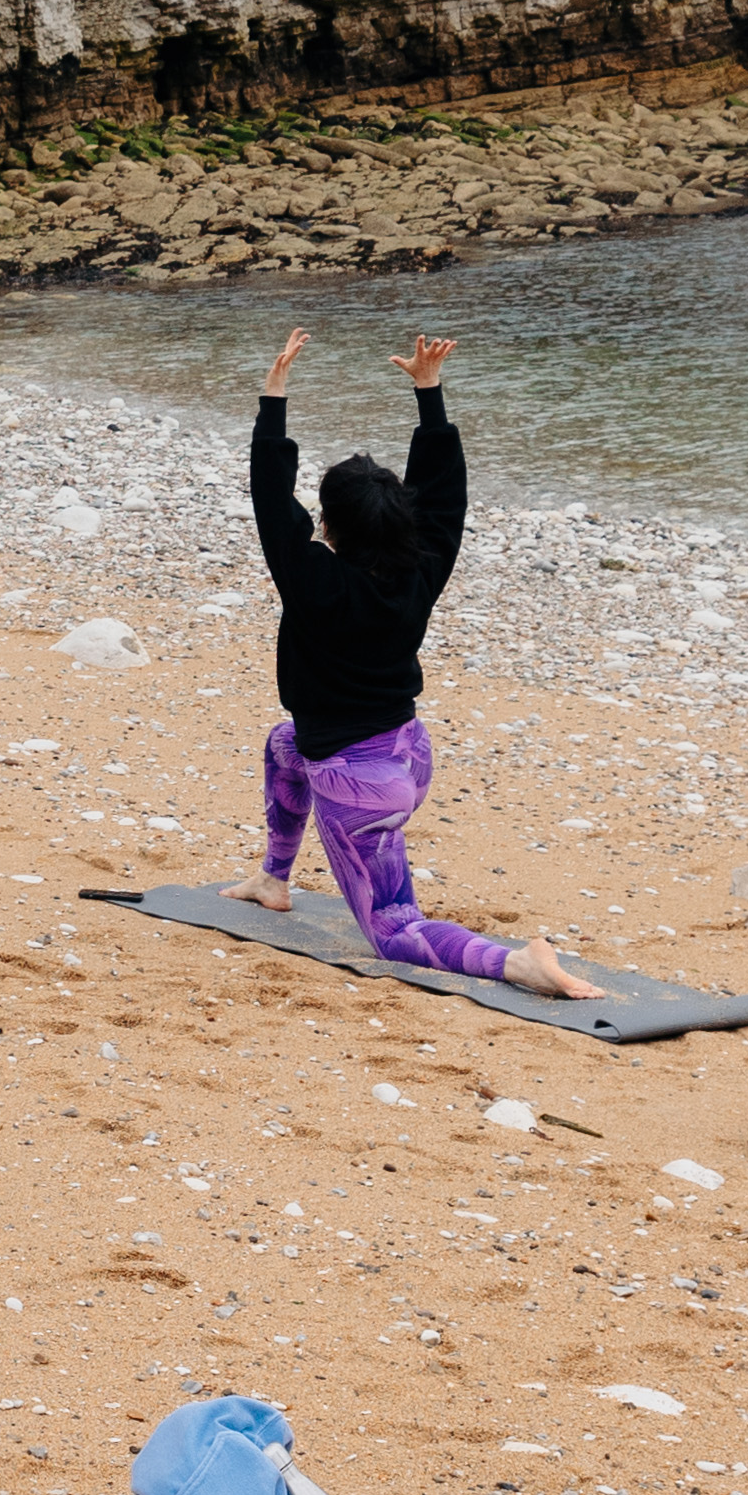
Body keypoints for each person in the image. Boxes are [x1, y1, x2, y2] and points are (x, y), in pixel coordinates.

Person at [235, 329, 599, 1007]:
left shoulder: (314, 580)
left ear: (329, 528)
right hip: (406, 752)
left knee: (395, 931)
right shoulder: (419, 570)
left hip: (359, 784)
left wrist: (273, 399)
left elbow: (268, 500)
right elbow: (443, 500)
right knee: (284, 745)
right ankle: (271, 879)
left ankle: (517, 963)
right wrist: (428, 394)